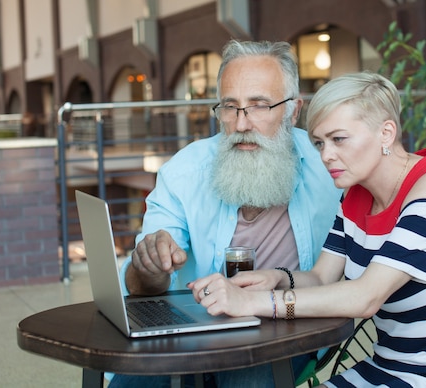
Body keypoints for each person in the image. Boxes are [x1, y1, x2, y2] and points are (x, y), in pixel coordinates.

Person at [187, 71, 426, 387]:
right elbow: (320, 278)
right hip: (390, 367)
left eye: (339, 139)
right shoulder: (355, 196)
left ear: (386, 134)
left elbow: (366, 297)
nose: (326, 155)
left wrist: (252, 303)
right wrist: (276, 277)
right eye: (319, 143)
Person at [111, 40, 341, 388]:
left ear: (294, 111)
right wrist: (149, 264)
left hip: (289, 329)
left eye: (259, 106)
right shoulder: (185, 171)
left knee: (245, 375)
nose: (241, 123)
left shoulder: (331, 167)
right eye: (230, 107)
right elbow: (141, 287)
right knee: (134, 382)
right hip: (194, 329)